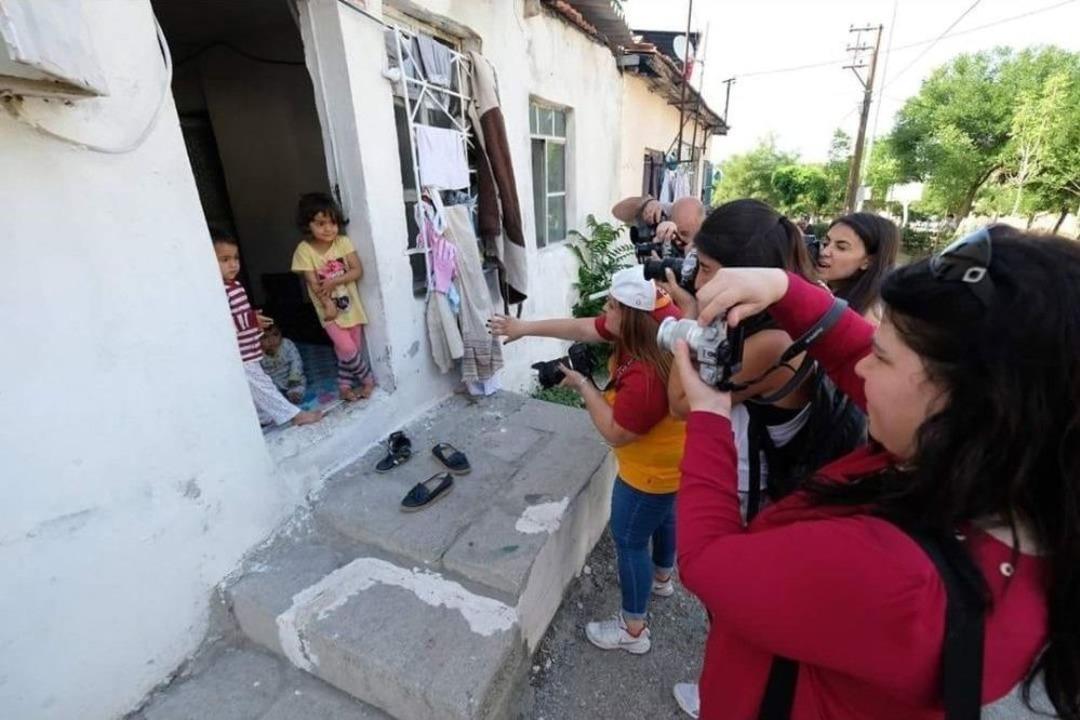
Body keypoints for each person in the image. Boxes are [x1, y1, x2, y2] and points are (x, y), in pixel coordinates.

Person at [674, 225, 1078, 719]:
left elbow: (706, 559)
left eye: (882, 358)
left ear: (974, 399)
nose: (861, 370)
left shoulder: (896, 580)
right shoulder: (987, 473)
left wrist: (711, 417)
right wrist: (782, 287)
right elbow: (847, 350)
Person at [662, 199, 866, 718]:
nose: (697, 278)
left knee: (732, 604)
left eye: (706, 269)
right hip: (760, 479)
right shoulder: (775, 312)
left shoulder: (772, 339)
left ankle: (729, 691)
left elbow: (682, 404)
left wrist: (686, 323)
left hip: (758, 499)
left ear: (738, 272)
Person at [487, 267, 683, 654]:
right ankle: (662, 578)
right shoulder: (652, 322)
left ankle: (633, 630)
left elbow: (615, 431)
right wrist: (524, 328)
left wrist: (583, 384)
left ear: (629, 313)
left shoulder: (645, 376)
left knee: (629, 540)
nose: (604, 313)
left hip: (647, 473)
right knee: (664, 517)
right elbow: (583, 329)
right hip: (672, 465)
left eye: (610, 306)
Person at [212, 233, 321, 428]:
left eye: (235, 258)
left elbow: (240, 316)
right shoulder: (218, 291)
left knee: (256, 389)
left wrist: (254, 323)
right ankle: (294, 415)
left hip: (250, 349)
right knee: (263, 386)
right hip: (242, 355)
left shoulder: (235, 286)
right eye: (225, 259)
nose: (233, 264)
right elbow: (222, 324)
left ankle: (263, 418)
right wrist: (251, 319)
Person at [291, 192, 375, 402]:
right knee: (346, 347)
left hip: (351, 307)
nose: (328, 228)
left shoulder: (343, 243)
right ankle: (367, 379)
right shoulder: (304, 250)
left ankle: (344, 385)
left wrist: (334, 281)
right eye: (320, 223)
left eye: (332, 222)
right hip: (328, 310)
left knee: (349, 350)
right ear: (308, 225)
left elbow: (357, 271)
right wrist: (327, 304)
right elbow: (312, 282)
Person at [815, 212, 900, 321]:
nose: (824, 252)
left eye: (841, 247)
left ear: (868, 261)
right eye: (826, 243)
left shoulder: (866, 318)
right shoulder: (828, 293)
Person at [612, 195, 706, 252]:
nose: (673, 237)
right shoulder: (666, 214)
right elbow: (617, 211)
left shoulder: (704, 254)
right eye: (674, 230)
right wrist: (646, 204)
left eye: (684, 233)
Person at [260, 323, 307, 404]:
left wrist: (294, 375)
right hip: (273, 381)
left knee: (300, 382)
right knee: (268, 392)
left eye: (275, 334)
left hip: (290, 377)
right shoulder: (258, 353)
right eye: (265, 337)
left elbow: (296, 360)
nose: (271, 340)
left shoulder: (287, 344)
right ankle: (278, 401)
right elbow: (258, 371)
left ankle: (295, 394)